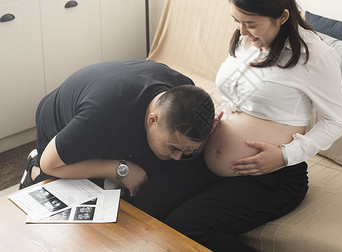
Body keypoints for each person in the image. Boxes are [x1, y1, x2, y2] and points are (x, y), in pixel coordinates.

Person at [129, 0, 342, 251]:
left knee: (186, 227)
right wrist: (218, 116)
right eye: (236, 20)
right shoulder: (247, 40)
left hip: (271, 178)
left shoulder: (314, 56)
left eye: (251, 24)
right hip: (210, 162)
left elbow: (336, 122)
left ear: (282, 17)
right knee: (147, 202)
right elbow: (240, 95)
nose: (242, 31)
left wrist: (285, 155)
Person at [19, 59, 215, 197]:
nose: (177, 156)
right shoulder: (101, 119)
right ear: (152, 120)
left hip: (111, 103)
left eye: (186, 150)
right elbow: (50, 163)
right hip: (58, 125)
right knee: (87, 189)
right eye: (173, 147)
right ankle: (33, 169)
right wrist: (121, 169)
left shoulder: (184, 89)